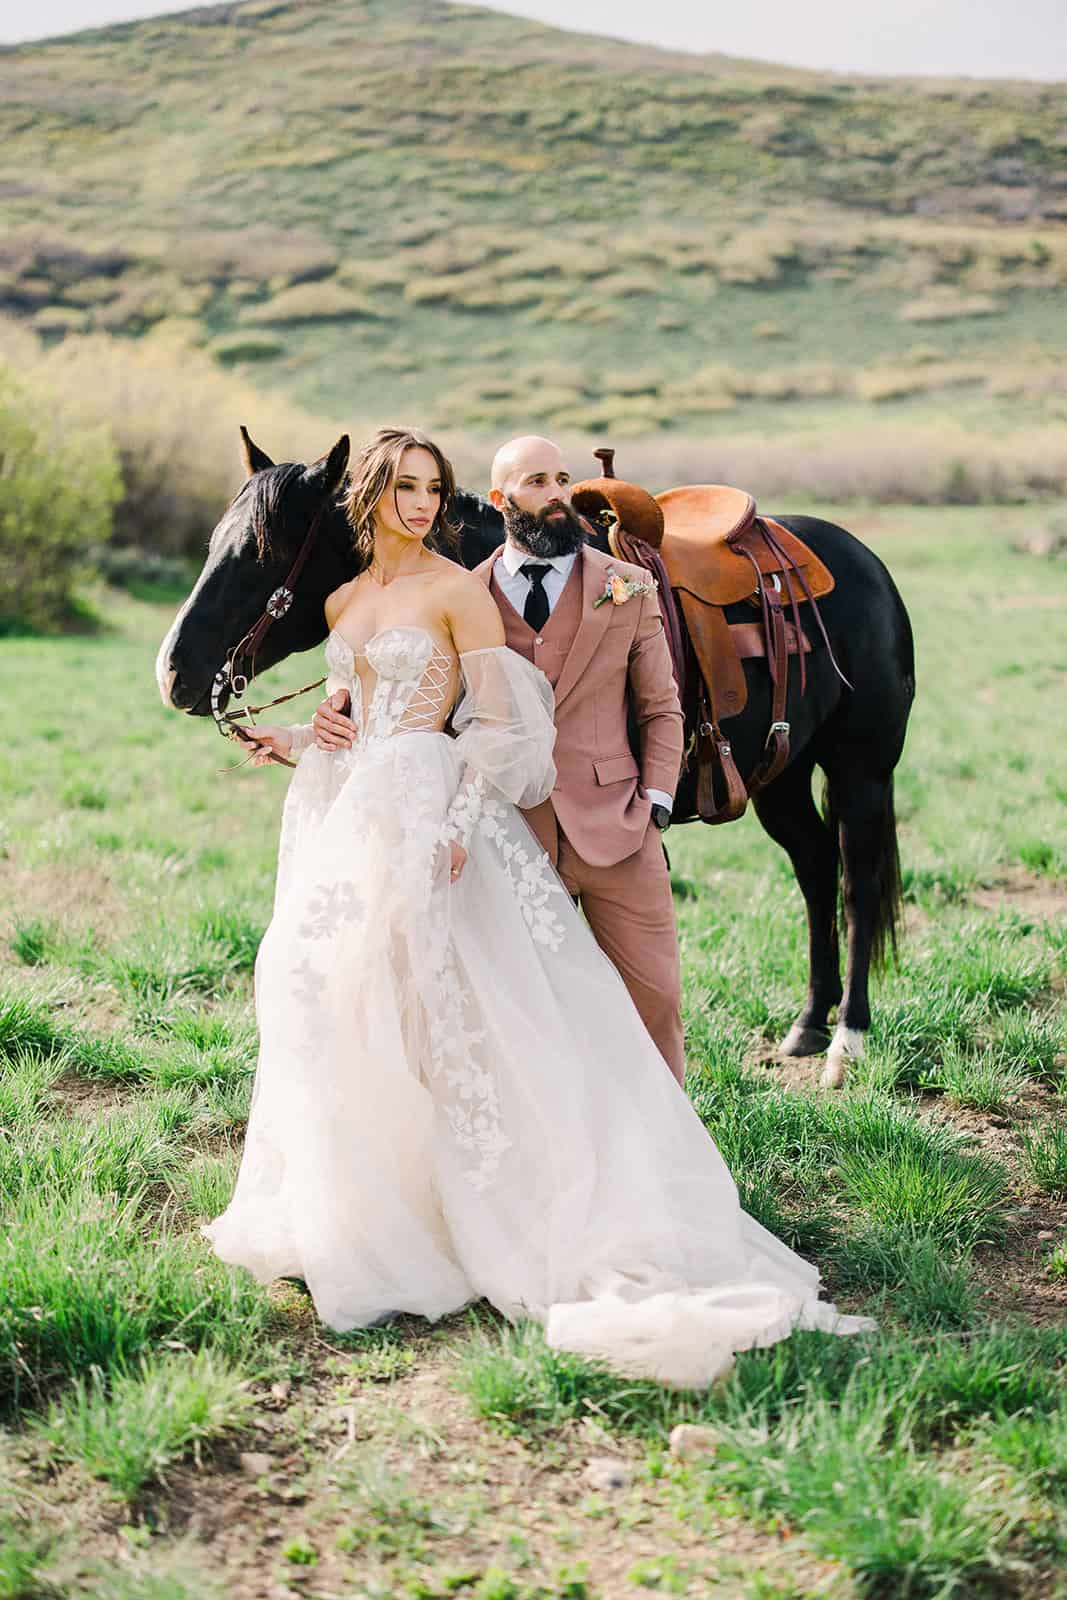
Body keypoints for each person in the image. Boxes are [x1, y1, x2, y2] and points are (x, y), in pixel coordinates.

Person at [203, 426, 872, 1388]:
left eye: (432, 488)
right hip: (360, 816)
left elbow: (502, 724)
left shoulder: (456, 590)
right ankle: (382, 1206)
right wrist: (308, 735)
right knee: (345, 1000)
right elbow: (367, 717)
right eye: (403, 488)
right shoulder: (349, 598)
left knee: (557, 1005)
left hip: (469, 812)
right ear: (374, 497)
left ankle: (641, 1175)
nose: (423, 505)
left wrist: (467, 818)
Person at [312, 435, 688, 1085]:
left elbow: (660, 706)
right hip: (508, 832)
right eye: (536, 481)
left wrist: (654, 802)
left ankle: (668, 1149)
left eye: (562, 480)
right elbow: (415, 707)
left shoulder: (625, 586)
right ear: (499, 499)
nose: (556, 494)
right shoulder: (467, 592)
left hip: (618, 827)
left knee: (653, 998)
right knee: (524, 1011)